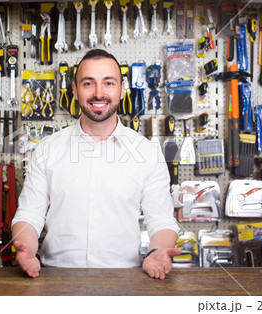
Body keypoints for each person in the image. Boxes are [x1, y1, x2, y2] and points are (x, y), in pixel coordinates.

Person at [11, 49, 180, 280]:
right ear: (75, 90)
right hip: (55, 282)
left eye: (108, 83)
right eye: (88, 83)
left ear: (122, 89)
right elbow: (29, 214)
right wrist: (27, 248)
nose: (99, 94)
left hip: (125, 284)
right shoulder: (47, 150)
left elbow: (161, 220)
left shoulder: (147, 152)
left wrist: (156, 251)